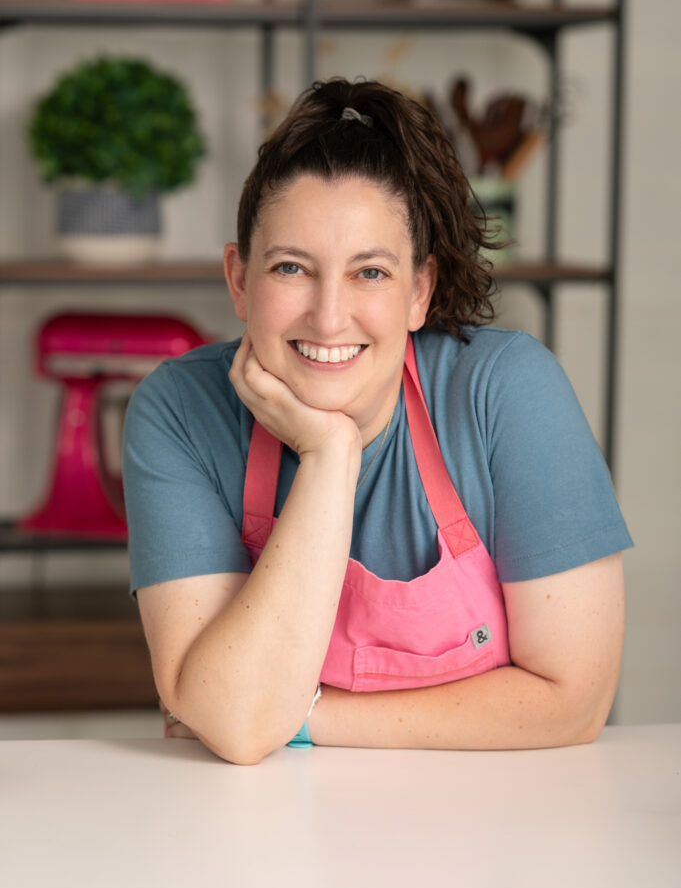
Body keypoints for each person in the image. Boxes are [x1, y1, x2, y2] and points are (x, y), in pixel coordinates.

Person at [122, 77, 632, 765]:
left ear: (418, 290)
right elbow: (238, 729)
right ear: (239, 279)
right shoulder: (182, 411)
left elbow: (572, 701)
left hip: (500, 835)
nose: (328, 316)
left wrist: (303, 715)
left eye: (369, 273)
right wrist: (330, 453)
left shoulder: (504, 391)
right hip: (264, 838)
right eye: (292, 268)